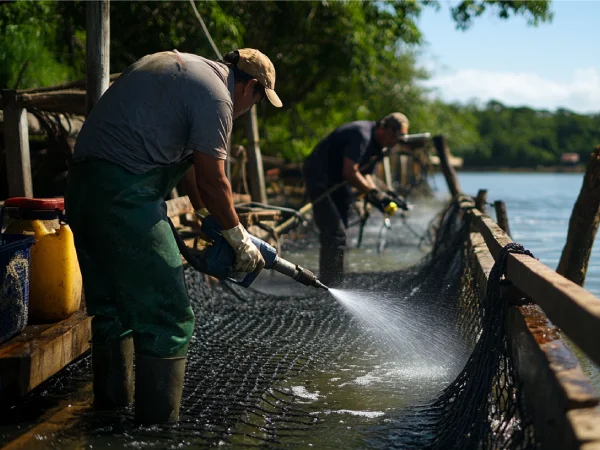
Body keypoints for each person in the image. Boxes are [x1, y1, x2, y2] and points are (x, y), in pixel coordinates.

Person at [65, 48, 282, 425]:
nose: (253, 107)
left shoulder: (184, 70)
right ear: (251, 87)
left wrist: (203, 216)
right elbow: (214, 178)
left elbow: (188, 169)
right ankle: (155, 434)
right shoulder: (218, 95)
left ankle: (109, 417)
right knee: (170, 317)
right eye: (260, 99)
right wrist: (239, 238)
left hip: (83, 191)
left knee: (112, 309)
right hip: (126, 197)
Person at [302, 113, 409, 286]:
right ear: (385, 129)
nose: (394, 143)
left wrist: (382, 197)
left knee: (342, 232)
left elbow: (365, 175)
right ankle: (328, 284)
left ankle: (335, 280)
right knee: (334, 232)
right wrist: (374, 194)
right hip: (320, 178)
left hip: (338, 181)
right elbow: (350, 172)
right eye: (395, 138)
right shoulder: (361, 135)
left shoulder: (378, 144)